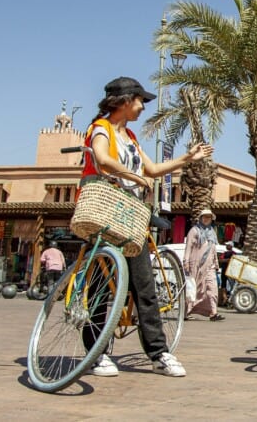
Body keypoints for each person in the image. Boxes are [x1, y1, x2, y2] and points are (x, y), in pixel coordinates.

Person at [82, 76, 214, 378]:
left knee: (145, 288)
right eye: (139, 100)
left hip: (131, 218)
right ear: (124, 101)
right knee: (102, 288)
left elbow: (153, 169)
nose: (142, 107)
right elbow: (101, 158)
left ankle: (159, 353)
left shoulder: (129, 136)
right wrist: (135, 176)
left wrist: (187, 158)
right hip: (105, 214)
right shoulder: (101, 130)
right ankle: (96, 353)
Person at [184, 209, 225, 322]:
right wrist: (186, 262)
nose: (206, 219)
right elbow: (188, 247)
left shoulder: (212, 232)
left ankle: (213, 312)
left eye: (209, 217)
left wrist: (216, 263)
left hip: (209, 266)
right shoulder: (194, 231)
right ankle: (186, 312)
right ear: (201, 218)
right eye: (204, 217)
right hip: (196, 265)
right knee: (194, 289)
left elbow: (213, 249)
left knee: (212, 288)